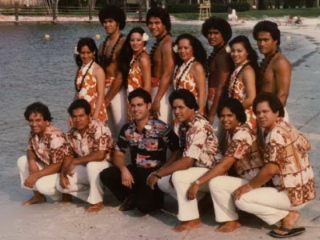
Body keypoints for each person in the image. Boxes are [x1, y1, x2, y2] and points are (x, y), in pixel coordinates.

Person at [233, 92, 315, 238]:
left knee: (241, 199)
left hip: (291, 195)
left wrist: (248, 186)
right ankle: (287, 212)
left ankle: (286, 216)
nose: (261, 116)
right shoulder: (286, 126)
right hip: (305, 191)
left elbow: (271, 169)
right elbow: (306, 145)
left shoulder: (275, 134)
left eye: (265, 111)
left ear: (276, 112)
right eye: (257, 113)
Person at [147, 89, 222, 232]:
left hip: (212, 172)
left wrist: (159, 173)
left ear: (192, 107)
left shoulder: (198, 125)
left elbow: (187, 161)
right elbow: (180, 152)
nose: (177, 111)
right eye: (175, 108)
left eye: (181, 107)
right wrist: (159, 172)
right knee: (163, 182)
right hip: (197, 169)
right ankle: (199, 202)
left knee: (178, 177)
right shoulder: (184, 124)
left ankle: (192, 219)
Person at [186, 98, 263, 233]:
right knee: (215, 177)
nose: (224, 119)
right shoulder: (231, 132)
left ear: (238, 116)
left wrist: (198, 182)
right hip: (244, 177)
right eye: (222, 116)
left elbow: (224, 165)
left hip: (255, 182)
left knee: (217, 182)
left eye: (229, 116)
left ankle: (231, 220)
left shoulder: (242, 134)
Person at [100, 88, 180, 213]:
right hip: (135, 172)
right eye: (133, 106)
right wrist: (123, 169)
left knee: (145, 208)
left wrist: (162, 171)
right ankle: (130, 196)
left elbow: (177, 151)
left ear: (148, 106)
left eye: (139, 105)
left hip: (152, 173)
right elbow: (118, 153)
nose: (136, 109)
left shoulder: (161, 127)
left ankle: (143, 197)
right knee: (107, 174)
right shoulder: (127, 128)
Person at [57, 99, 113, 212]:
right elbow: (68, 156)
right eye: (74, 116)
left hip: (107, 168)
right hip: (86, 167)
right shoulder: (70, 134)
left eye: (81, 116)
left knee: (92, 165)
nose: (78, 120)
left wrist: (76, 161)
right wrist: (63, 175)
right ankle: (92, 192)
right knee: (61, 185)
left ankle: (97, 201)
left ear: (89, 115)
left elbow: (100, 155)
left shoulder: (100, 128)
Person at [17, 102, 67, 206]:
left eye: (38, 120)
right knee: (22, 161)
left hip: (61, 173)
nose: (34, 124)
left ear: (46, 120)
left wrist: (35, 176)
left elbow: (58, 165)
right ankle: (38, 197)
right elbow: (30, 148)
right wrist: (31, 161)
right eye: (31, 120)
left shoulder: (55, 136)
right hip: (47, 167)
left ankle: (63, 193)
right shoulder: (34, 131)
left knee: (41, 185)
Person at [253, 20, 291, 121]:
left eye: (266, 40)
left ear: (275, 41)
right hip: (264, 114)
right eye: (259, 40)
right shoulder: (267, 60)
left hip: (274, 115)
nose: (261, 43)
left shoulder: (280, 62)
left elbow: (283, 94)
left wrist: (272, 118)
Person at [98, 5, 127, 134]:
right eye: (104, 22)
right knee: (105, 130)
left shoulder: (124, 43)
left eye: (110, 21)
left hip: (118, 90)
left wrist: (108, 98)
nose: (107, 25)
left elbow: (121, 75)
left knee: (121, 128)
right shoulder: (102, 45)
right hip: (103, 88)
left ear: (118, 23)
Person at [146, 7, 175, 124]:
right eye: (150, 23)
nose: (153, 27)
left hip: (163, 92)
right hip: (156, 90)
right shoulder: (159, 42)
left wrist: (157, 99)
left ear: (165, 24)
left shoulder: (167, 43)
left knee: (160, 128)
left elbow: (168, 73)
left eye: (157, 23)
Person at [202, 17, 232, 126]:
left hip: (218, 103)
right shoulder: (217, 53)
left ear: (223, 34)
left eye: (216, 33)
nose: (211, 36)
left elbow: (221, 87)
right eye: (209, 33)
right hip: (212, 100)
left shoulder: (223, 55)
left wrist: (212, 113)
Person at [225, 35, 259, 129]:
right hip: (237, 116)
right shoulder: (239, 68)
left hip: (244, 117)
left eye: (239, 51)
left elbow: (251, 98)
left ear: (247, 52)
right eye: (233, 51)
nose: (235, 54)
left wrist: (233, 112)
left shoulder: (247, 71)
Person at [118, 27, 152, 120]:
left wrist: (141, 105)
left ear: (143, 41)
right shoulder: (134, 56)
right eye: (132, 40)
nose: (135, 43)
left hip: (139, 103)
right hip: (132, 101)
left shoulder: (143, 58)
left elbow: (147, 86)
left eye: (138, 40)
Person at [73, 37, 106, 124]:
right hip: (81, 113)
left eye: (88, 53)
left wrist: (95, 115)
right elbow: (77, 92)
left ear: (94, 52)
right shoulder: (79, 69)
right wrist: (72, 114)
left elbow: (101, 95)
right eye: (83, 53)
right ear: (79, 53)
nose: (85, 56)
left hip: (95, 110)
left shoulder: (98, 70)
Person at [173, 33, 207, 114]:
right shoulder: (179, 65)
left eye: (186, 48)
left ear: (193, 49)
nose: (182, 51)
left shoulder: (196, 66)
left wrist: (200, 111)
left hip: (191, 110)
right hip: (178, 109)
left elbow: (202, 92)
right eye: (180, 48)